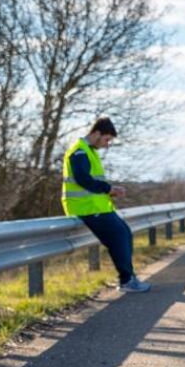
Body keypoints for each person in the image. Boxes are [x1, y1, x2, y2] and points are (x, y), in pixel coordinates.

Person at [62, 117, 151, 293]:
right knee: (118, 236)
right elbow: (83, 180)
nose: (107, 144)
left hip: (96, 207)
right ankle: (126, 281)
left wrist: (110, 189)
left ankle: (129, 278)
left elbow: (92, 180)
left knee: (124, 233)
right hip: (86, 207)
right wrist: (109, 189)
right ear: (96, 133)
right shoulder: (79, 152)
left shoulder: (89, 151)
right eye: (106, 139)